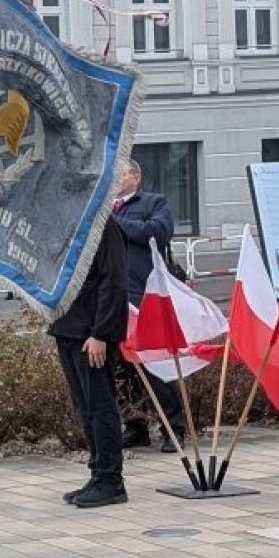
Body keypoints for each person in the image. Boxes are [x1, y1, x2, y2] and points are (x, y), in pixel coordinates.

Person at [49, 217, 129, 508]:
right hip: (67, 328)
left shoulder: (103, 225)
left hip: (91, 333)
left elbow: (113, 281)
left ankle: (111, 480)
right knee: (84, 408)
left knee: (100, 407)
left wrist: (101, 333)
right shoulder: (68, 223)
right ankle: (97, 474)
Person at [110, 158, 185, 452]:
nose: (116, 180)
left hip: (144, 295)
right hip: (113, 296)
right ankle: (135, 425)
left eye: (122, 173)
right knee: (123, 368)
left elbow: (158, 232)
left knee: (154, 365)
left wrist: (116, 222)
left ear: (136, 177)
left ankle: (174, 428)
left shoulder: (153, 202)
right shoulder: (102, 209)